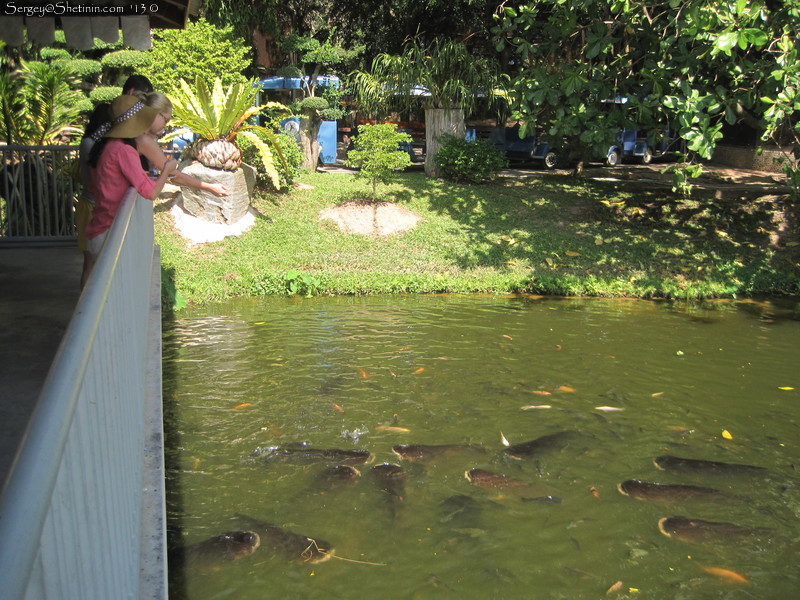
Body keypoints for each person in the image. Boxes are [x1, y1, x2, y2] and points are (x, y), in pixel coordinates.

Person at [82, 95, 178, 287]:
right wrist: (167, 169)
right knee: (112, 289)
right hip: (109, 233)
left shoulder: (109, 146)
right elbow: (150, 192)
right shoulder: (124, 151)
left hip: (98, 230)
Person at [135, 92, 229, 198]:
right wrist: (210, 187)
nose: (165, 126)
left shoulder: (137, 134)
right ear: (154, 113)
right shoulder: (144, 140)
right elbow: (174, 175)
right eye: (165, 120)